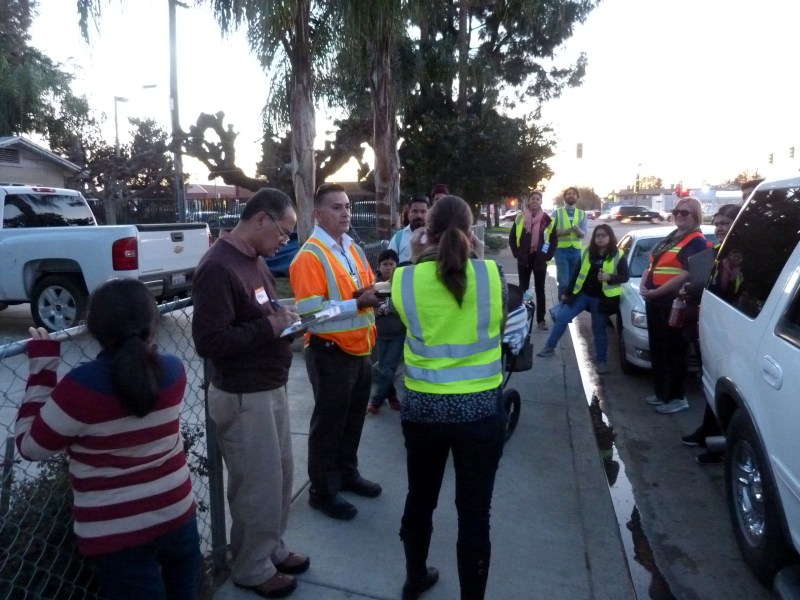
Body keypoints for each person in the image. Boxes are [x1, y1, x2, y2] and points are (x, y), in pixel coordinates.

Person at [16, 278, 202, 600]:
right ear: (152, 323)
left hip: (116, 534)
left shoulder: (80, 389)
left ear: (94, 327)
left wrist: (43, 369)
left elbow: (31, 446)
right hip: (176, 513)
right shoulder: (174, 371)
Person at [192, 188, 308, 599]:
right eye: (283, 231)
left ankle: (270, 548)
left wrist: (284, 318)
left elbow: (263, 313)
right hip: (243, 395)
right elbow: (209, 341)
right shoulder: (218, 267)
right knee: (256, 486)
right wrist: (271, 328)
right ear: (261, 219)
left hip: (268, 386)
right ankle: (251, 567)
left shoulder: (253, 261)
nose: (285, 242)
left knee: (279, 477)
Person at [391, 195, 507, 600]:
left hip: (423, 411)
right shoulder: (493, 276)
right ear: (471, 234)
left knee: (420, 499)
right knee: (475, 514)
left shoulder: (403, 279)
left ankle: (414, 578)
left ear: (426, 232)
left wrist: (416, 256)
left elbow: (408, 316)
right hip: (479, 413)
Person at [289, 182, 383, 521]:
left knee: (353, 418)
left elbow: (367, 286)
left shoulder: (352, 248)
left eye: (347, 206)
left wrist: (378, 292)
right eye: (337, 207)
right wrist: (358, 302)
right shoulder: (309, 257)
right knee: (329, 424)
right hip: (330, 351)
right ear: (317, 213)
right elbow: (312, 314)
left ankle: (347, 474)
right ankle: (322, 491)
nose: (346, 213)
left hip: (359, 349)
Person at [680, 203, 742, 464]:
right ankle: (708, 430)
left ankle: (723, 446)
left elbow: (736, 295)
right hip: (715, 327)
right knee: (712, 381)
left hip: (735, 332)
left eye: (725, 224)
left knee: (729, 389)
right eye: (716, 223)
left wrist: (697, 291)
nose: (719, 228)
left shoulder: (738, 259)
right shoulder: (718, 253)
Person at [640, 196, 709, 414]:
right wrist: (644, 284)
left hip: (671, 302)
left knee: (674, 350)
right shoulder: (671, 238)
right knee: (658, 349)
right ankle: (662, 393)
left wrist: (656, 291)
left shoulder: (696, 240)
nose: (679, 215)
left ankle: (677, 397)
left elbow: (686, 273)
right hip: (655, 300)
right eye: (676, 211)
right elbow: (652, 265)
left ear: (695, 216)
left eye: (685, 212)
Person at [536, 224, 629, 375]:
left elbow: (625, 277)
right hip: (582, 294)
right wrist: (567, 293)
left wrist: (609, 277)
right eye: (597, 235)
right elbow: (576, 273)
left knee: (598, 330)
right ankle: (549, 347)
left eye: (603, 235)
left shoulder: (618, 254)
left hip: (601, 299)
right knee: (562, 317)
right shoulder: (587, 251)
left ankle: (601, 361)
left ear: (610, 237)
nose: (599, 238)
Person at [509, 190, 557, 330]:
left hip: (540, 259)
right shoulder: (520, 217)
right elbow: (512, 237)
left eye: (538, 199)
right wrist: (517, 254)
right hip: (524, 258)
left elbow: (553, 241)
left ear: (541, 202)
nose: (535, 201)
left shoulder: (548, 220)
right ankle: (521, 317)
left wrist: (547, 256)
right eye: (533, 199)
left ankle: (541, 320)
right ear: (528, 201)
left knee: (541, 291)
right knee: (522, 289)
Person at [367, 248, 405, 414]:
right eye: (385, 264)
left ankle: (376, 401)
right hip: (379, 334)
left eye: (391, 264)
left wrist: (393, 309)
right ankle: (392, 397)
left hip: (398, 334)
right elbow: (366, 306)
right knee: (384, 369)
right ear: (379, 265)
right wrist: (379, 309)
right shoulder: (373, 284)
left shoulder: (402, 283)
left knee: (388, 367)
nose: (388, 268)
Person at [549, 186, 587, 298]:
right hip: (561, 251)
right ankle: (561, 309)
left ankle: (569, 307)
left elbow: (583, 234)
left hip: (576, 251)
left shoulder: (582, 214)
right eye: (568, 194)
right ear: (564, 197)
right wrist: (566, 232)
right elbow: (551, 232)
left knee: (573, 283)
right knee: (563, 282)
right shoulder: (556, 213)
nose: (571, 195)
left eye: (573, 194)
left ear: (577, 197)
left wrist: (579, 231)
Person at [389, 196, 430, 265]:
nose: (419, 215)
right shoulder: (398, 238)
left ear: (429, 213)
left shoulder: (435, 238)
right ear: (408, 213)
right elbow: (389, 265)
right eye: (415, 211)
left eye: (423, 211)